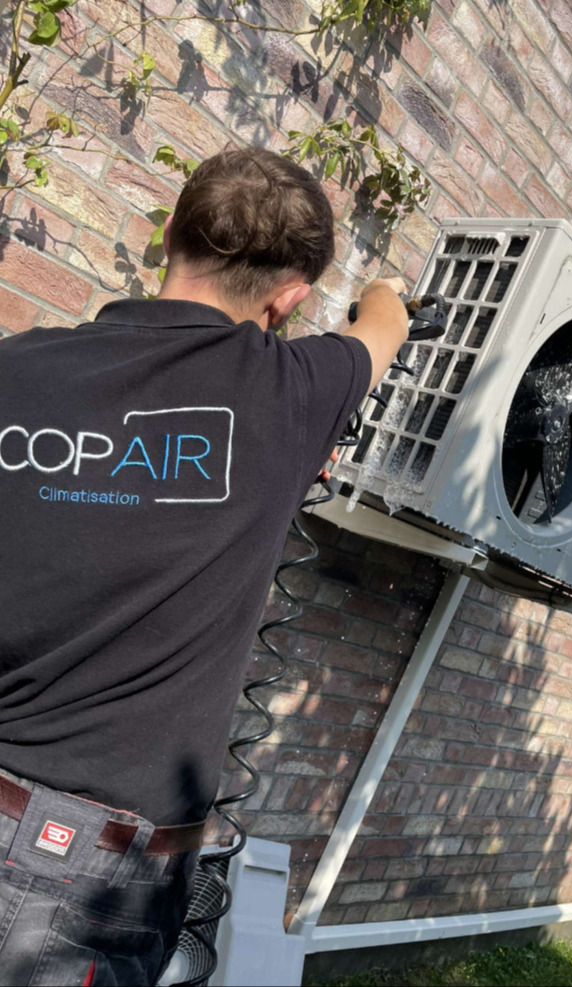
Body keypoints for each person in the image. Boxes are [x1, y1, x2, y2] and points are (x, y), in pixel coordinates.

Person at [0, 147, 408, 986]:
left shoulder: (15, 368)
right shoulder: (291, 390)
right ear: (287, 299)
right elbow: (385, 319)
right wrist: (383, 286)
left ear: (169, 239)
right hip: (84, 877)